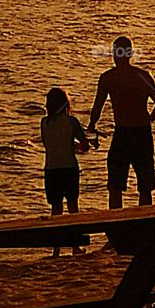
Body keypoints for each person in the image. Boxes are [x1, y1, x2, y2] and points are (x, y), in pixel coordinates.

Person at [88, 35, 155, 208]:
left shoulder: (108, 78)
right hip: (142, 134)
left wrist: (92, 126)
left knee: (115, 186)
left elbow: (97, 107)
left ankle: (116, 225)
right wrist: (147, 121)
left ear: (115, 54)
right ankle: (144, 222)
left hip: (122, 134)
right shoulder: (142, 76)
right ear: (130, 54)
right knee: (145, 187)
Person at [40, 86, 90, 255]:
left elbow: (50, 145)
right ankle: (75, 246)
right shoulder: (72, 121)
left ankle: (56, 249)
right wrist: (84, 146)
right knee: (73, 207)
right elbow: (84, 146)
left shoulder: (44, 123)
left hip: (51, 169)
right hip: (69, 168)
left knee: (56, 209)